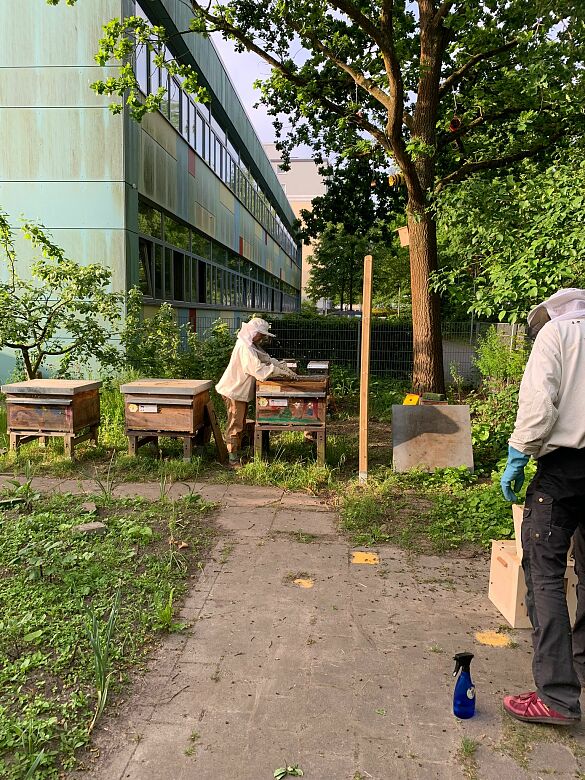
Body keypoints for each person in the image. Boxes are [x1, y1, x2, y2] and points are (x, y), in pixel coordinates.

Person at [500, 288, 585, 725]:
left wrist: (519, 453)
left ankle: (556, 696)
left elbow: (539, 405)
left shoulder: (558, 334)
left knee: (545, 574)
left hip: (563, 470)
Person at [215, 318, 297, 467]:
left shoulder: (250, 344)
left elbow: (265, 358)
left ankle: (236, 453)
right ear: (253, 332)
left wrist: (281, 365)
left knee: (240, 422)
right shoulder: (244, 347)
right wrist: (278, 371)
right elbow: (258, 370)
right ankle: (232, 459)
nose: (262, 337)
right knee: (236, 423)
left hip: (238, 391)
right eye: (261, 334)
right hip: (234, 391)